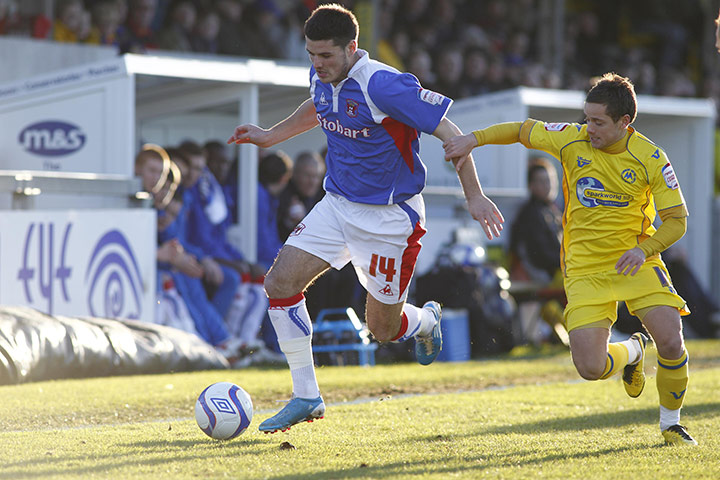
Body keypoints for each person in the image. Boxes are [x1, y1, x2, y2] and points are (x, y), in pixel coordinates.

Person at [227, 4, 503, 434]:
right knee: (279, 282)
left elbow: (452, 136)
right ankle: (306, 396)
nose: (317, 65)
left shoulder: (385, 85)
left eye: (326, 57)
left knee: (382, 328)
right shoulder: (322, 75)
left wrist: (475, 195)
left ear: (352, 48)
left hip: (391, 220)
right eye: (311, 55)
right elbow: (317, 106)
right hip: (337, 205)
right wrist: (270, 135)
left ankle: (426, 320)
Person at [443, 73, 697, 446]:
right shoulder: (572, 138)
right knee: (590, 368)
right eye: (586, 118)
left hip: (636, 261)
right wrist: (473, 139)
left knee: (673, 341)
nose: (588, 127)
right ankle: (631, 351)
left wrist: (643, 250)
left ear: (625, 122)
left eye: (598, 122)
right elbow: (521, 130)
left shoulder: (651, 158)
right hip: (583, 269)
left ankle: (671, 424)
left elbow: (677, 221)